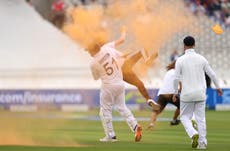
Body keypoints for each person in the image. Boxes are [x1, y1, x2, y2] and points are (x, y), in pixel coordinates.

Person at [87, 28, 143, 142]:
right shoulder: (108, 49)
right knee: (122, 108)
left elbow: (96, 78)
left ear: (93, 51)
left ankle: (111, 136)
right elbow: (122, 56)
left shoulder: (93, 63)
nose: (88, 53)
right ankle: (135, 126)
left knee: (105, 111)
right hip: (120, 83)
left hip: (108, 86)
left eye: (88, 51)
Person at [173, 36, 222, 149]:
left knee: (184, 117)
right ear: (194, 45)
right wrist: (218, 87)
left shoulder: (180, 60)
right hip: (200, 93)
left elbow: (176, 78)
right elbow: (212, 74)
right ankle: (202, 143)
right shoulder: (201, 58)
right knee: (201, 119)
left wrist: (175, 93)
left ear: (184, 46)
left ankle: (193, 133)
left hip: (186, 94)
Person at [147, 60, 180, 130]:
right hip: (171, 93)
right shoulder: (178, 72)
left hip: (162, 93)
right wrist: (178, 92)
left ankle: (152, 123)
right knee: (181, 106)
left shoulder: (168, 72)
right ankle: (174, 120)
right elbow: (180, 85)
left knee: (156, 110)